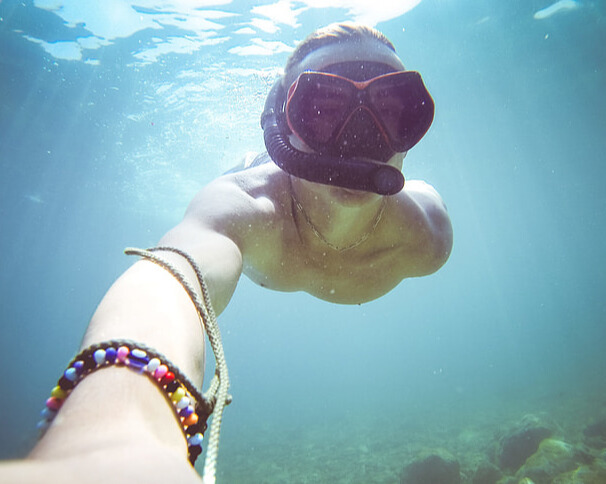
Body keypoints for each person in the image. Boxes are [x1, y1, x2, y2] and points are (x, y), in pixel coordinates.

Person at [0, 22, 452, 483]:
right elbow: (175, 271)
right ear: (280, 121)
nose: (360, 140)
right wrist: (113, 428)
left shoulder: (428, 235)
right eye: (323, 109)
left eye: (391, 109)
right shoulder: (245, 208)